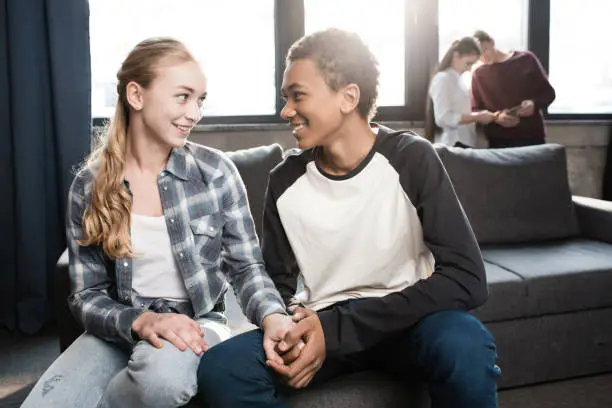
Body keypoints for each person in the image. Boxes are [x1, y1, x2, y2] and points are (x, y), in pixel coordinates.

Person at [197, 28, 501, 408]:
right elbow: (278, 284)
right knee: (222, 368)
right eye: (285, 98)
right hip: (323, 329)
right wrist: (295, 324)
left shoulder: (412, 158)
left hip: (407, 324)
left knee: (464, 343)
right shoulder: (284, 181)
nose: (286, 110)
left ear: (348, 97)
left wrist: (338, 328)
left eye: (298, 96)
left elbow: (468, 279)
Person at [21, 37, 292, 408]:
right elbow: (86, 296)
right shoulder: (90, 185)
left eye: (200, 99)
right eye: (183, 97)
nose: (195, 113)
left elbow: (246, 268)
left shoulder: (216, 173)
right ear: (136, 95)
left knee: (162, 384)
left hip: (197, 322)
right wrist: (142, 322)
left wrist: (274, 316)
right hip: (120, 326)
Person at [471, 30, 556, 148]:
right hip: (498, 141)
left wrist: (533, 104)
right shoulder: (478, 74)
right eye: (478, 56)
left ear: (492, 42)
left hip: (531, 137)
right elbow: (475, 110)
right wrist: (496, 118)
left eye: (484, 50)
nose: (483, 57)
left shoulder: (526, 59)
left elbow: (548, 93)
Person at [425, 37, 497, 147]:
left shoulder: (459, 80)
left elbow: (461, 111)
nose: (469, 69)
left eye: (472, 65)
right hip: (454, 144)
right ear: (456, 55)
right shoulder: (442, 79)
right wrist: (476, 117)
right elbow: (443, 118)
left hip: (465, 143)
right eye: (468, 63)